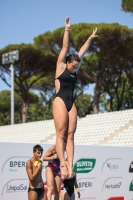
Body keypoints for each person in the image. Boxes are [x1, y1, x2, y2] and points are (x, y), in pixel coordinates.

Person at [53, 16, 98, 178]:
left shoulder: (75, 68)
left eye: (77, 66)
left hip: (71, 103)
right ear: (67, 63)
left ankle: (70, 165)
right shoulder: (60, 67)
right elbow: (65, 47)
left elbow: (82, 53)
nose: (75, 68)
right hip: (60, 101)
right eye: (73, 66)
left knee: (71, 135)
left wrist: (89, 39)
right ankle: (63, 165)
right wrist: (67, 29)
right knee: (61, 134)